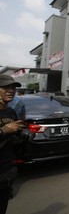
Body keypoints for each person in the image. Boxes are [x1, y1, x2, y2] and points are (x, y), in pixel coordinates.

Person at [0, 75, 26, 214]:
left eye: (13, 87)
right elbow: (6, 130)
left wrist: (19, 136)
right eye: (5, 87)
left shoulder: (11, 112)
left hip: (7, 171)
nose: (11, 90)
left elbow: (13, 139)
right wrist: (4, 130)